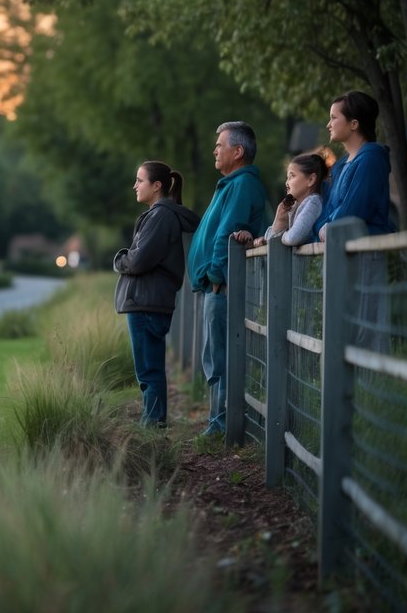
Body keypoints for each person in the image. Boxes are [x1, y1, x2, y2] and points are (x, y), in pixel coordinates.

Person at [186, 122, 267, 436]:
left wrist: (216, 277)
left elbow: (226, 235)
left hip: (222, 286)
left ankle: (221, 425)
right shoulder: (231, 184)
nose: (214, 150)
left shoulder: (242, 184)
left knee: (219, 359)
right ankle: (217, 422)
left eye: (220, 144)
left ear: (238, 151)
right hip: (215, 286)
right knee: (214, 357)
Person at [113, 160, 201, 428]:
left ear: (157, 185)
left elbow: (139, 261)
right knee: (149, 368)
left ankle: (152, 425)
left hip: (146, 303)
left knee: (148, 370)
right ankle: (153, 422)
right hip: (148, 301)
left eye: (140, 181)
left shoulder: (161, 216)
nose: (135, 186)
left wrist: (120, 260)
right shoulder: (159, 214)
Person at [313, 91, 397, 240]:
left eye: (333, 118)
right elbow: (323, 214)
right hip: (340, 251)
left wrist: (327, 227)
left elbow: (352, 213)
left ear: (353, 124)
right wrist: (322, 228)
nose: (328, 125)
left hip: (368, 252)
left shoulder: (372, 159)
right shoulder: (339, 166)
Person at [235, 153, 327, 249]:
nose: (286, 182)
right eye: (287, 177)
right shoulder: (295, 206)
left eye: (292, 176)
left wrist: (280, 238)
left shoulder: (313, 202)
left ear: (311, 179)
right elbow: (270, 241)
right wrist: (279, 219)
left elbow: (293, 238)